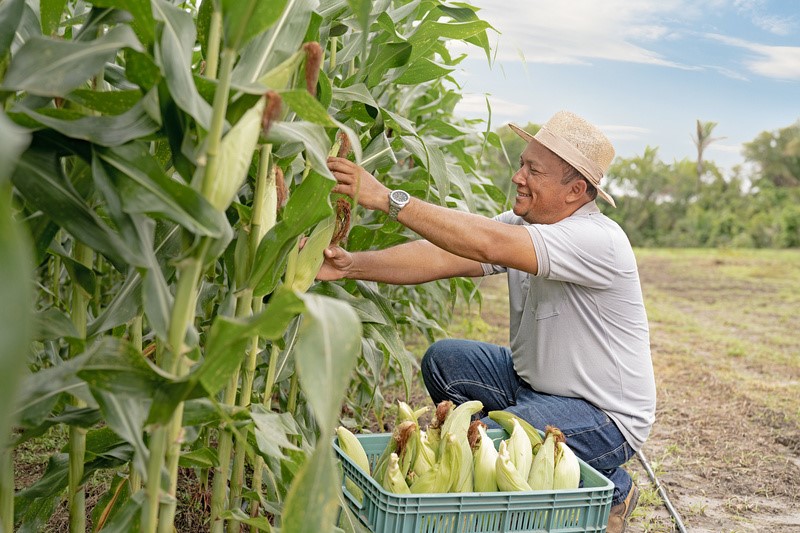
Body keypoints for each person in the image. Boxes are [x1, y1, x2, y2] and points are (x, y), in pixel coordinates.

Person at [321, 110, 656, 533]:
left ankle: (609, 489)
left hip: (603, 416)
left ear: (575, 191)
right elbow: (444, 254)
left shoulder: (597, 240)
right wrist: (352, 265)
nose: (518, 177)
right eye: (522, 163)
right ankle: (594, 481)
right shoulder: (527, 224)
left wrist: (390, 198)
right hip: (532, 386)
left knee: (489, 439)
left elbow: (487, 241)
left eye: (534, 170)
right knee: (446, 362)